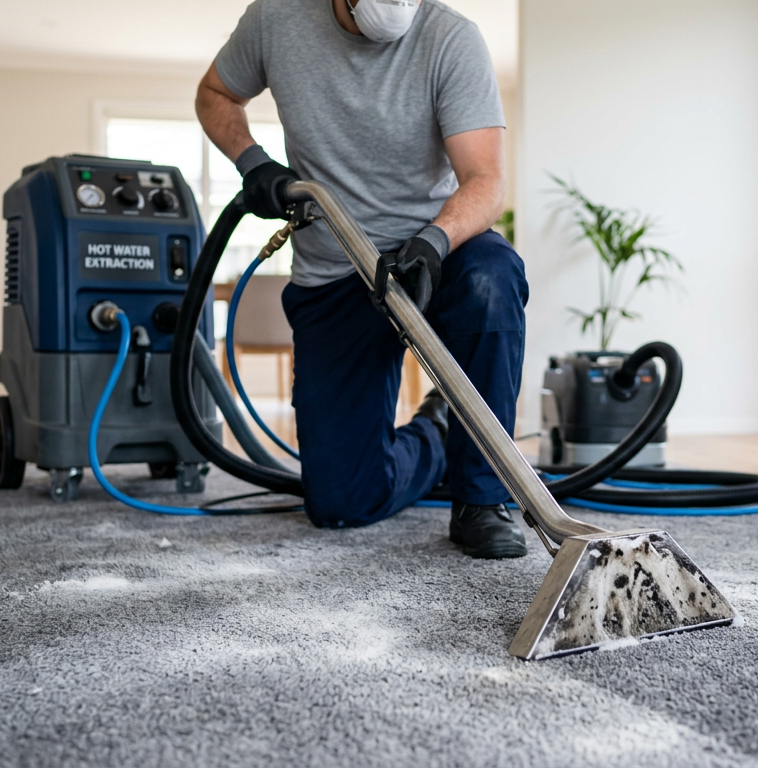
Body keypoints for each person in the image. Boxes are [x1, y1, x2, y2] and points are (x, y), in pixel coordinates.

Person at [196, 0, 529, 558]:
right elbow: (215, 93)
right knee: (340, 503)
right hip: (336, 271)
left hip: (435, 255)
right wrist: (253, 162)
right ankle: (438, 431)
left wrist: (435, 241)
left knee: (492, 277)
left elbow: (486, 179)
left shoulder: (451, 38)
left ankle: (483, 497)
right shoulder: (275, 19)